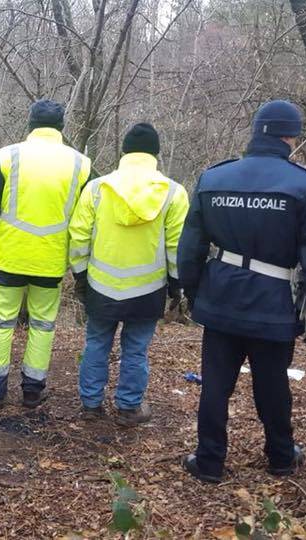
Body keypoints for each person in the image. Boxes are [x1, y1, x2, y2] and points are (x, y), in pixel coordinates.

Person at [177, 100, 306, 483]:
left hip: (220, 297)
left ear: (255, 131)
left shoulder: (215, 178)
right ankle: (281, 457)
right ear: (290, 137)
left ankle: (209, 461)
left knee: (215, 384)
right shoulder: (305, 184)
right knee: (273, 383)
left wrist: (193, 291)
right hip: (273, 304)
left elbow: (190, 247)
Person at [68, 123, 189, 426]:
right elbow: (176, 246)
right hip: (148, 289)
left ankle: (91, 406)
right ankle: (129, 408)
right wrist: (177, 287)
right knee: (135, 350)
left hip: (101, 285)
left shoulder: (97, 188)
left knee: (96, 343)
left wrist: (81, 277)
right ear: (156, 153)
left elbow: (79, 236)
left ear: (123, 151)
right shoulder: (173, 193)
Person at [0, 99, 92, 408]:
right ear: (61, 127)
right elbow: (85, 220)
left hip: (9, 257)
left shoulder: (8, 156)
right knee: (42, 326)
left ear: (30, 124)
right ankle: (32, 390)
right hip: (51, 261)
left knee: (2, 323)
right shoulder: (81, 164)